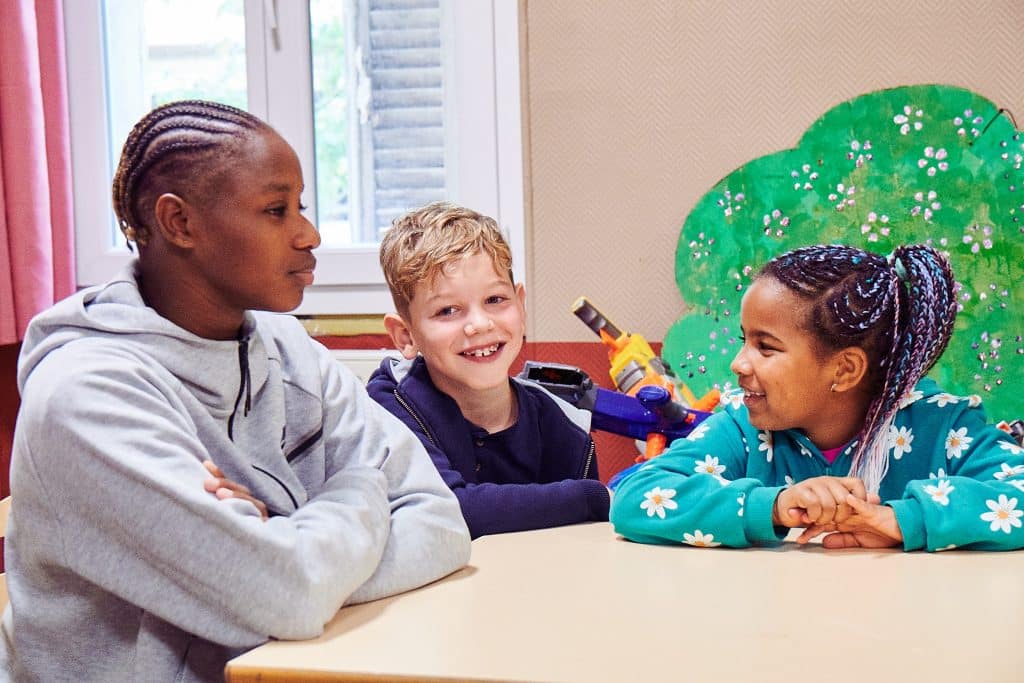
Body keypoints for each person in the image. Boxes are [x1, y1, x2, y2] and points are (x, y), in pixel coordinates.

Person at [0, 100, 471, 682]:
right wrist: (362, 488)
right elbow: (289, 592)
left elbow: (442, 524)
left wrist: (285, 547)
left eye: (301, 207)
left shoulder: (286, 348)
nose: (309, 234)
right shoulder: (84, 398)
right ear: (180, 223)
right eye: (276, 210)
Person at [610, 243, 1024, 551]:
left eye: (765, 347)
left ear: (844, 370)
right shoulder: (741, 427)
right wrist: (771, 506)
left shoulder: (943, 428)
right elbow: (635, 498)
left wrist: (903, 519)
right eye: (744, 341)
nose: (738, 364)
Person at [366, 202, 610, 538]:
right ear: (406, 336)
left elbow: (583, 544)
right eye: (448, 310)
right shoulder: (391, 407)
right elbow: (452, 510)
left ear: (520, 305)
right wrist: (595, 497)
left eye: (495, 300)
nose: (480, 324)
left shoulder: (564, 428)